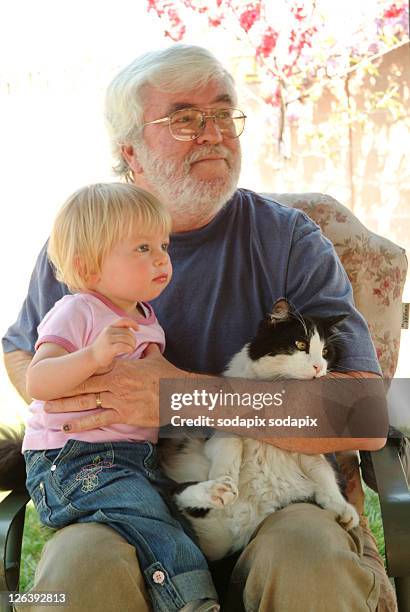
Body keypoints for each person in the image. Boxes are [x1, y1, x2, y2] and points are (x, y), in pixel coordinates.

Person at [3, 45, 392, 612]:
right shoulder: (85, 243)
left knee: (308, 558)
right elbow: (23, 355)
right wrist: (91, 398)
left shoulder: (290, 242)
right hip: (121, 494)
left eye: (224, 114)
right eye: (185, 118)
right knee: (77, 570)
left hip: (274, 496)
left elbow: (363, 414)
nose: (213, 132)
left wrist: (180, 395)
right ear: (129, 151)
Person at [22, 182, 219, 612]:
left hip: (131, 459)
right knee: (148, 518)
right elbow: (38, 380)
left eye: (163, 245)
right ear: (89, 268)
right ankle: (191, 599)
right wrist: (91, 356)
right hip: (74, 459)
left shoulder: (146, 319)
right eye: (142, 248)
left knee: (169, 515)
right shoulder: (79, 311)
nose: (162, 257)